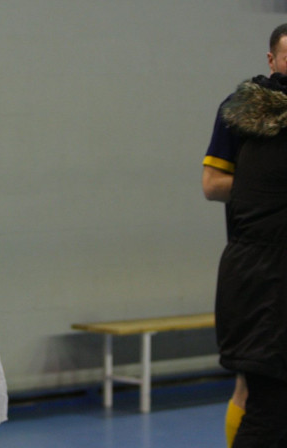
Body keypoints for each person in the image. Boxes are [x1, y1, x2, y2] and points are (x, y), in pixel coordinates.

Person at [202, 23, 287, 447]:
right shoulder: (240, 111)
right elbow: (212, 184)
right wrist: (265, 190)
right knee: (255, 392)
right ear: (271, 61)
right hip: (259, 266)